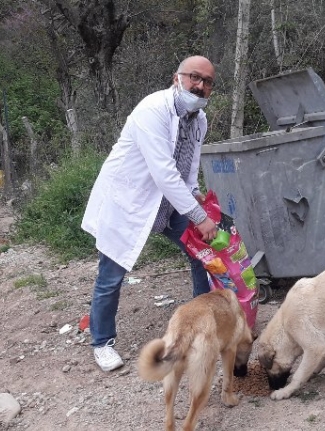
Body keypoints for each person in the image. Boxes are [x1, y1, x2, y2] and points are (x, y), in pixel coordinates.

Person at [81, 55, 220, 372]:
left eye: (207, 82)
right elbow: (163, 173)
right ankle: (102, 343)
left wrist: (196, 195)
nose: (199, 86)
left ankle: (199, 321)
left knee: (201, 250)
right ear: (177, 78)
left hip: (171, 201)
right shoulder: (153, 110)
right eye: (194, 77)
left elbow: (188, 169)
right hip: (130, 199)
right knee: (111, 275)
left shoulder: (199, 120)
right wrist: (199, 216)